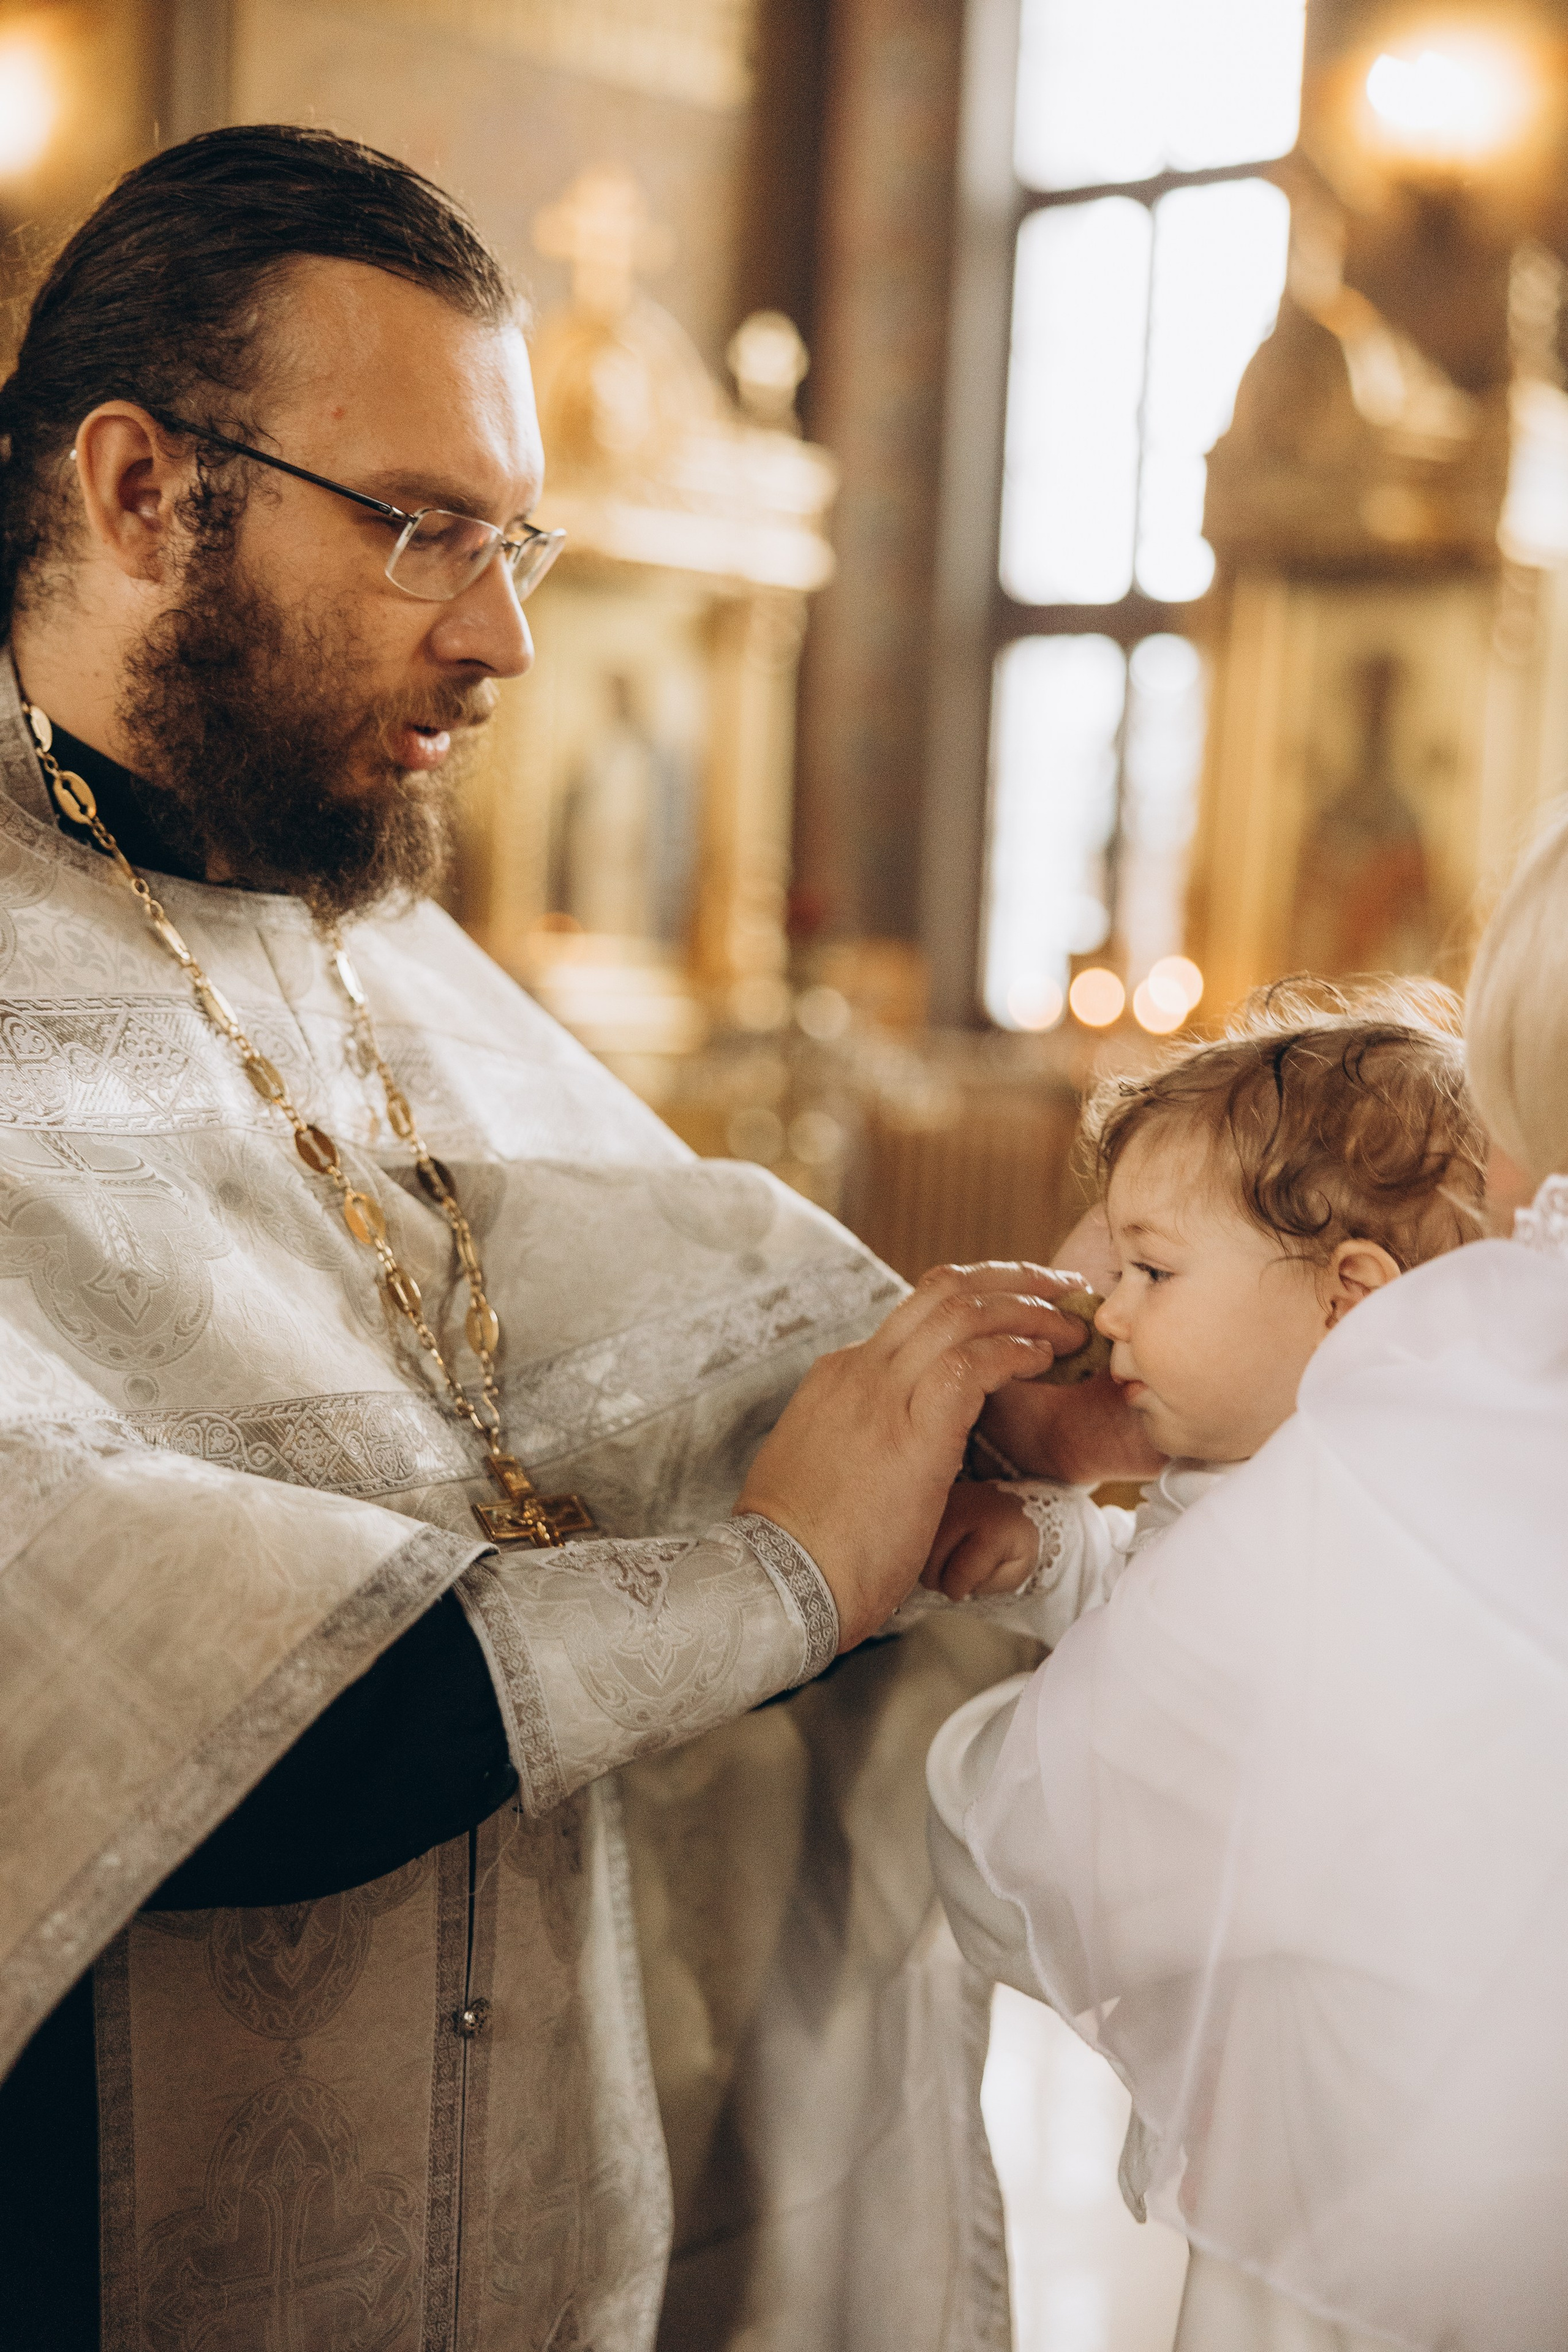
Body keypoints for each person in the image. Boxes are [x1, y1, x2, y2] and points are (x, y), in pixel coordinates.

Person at [0, 127, 1084, 2351]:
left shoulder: (384, 953)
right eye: (421, 531)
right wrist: (780, 1579)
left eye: (518, 545)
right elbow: (132, 1722)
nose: (501, 638)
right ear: (134, 492)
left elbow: (712, 1359)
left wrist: (996, 1438)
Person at [928, 858, 1568, 2350]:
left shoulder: (1342, 1492)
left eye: (1148, 1267)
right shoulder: (1478, 1425)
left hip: (1361, 2198)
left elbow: (1038, 1841)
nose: (1104, 1309)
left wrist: (954, 1756)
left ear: (1348, 1295)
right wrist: (1060, 1551)